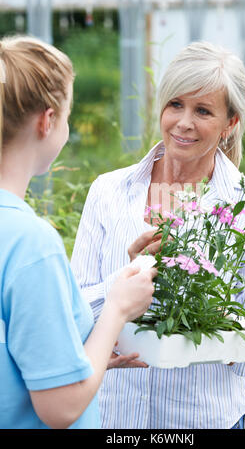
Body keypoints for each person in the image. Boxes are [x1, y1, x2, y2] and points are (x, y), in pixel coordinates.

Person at [71, 41, 245, 429]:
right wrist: (126, 280)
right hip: (113, 416)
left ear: (230, 123)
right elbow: (73, 307)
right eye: (175, 104)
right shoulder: (109, 192)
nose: (183, 122)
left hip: (202, 418)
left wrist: (233, 339)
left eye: (203, 110)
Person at [0, 35, 158, 430]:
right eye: (68, 115)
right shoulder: (30, 243)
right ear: (47, 120)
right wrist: (118, 308)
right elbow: (60, 408)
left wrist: (81, 354)